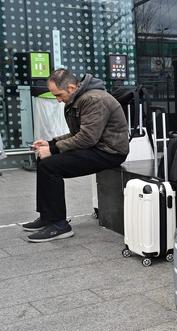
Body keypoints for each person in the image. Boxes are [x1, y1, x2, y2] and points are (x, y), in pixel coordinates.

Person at [23, 68, 129, 242]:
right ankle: (48, 217)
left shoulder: (94, 99)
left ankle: (59, 225)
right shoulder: (79, 98)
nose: (57, 100)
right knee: (43, 160)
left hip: (110, 151)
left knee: (51, 166)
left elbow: (87, 138)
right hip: (97, 147)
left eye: (58, 95)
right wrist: (50, 143)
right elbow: (78, 133)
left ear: (71, 88)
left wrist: (54, 149)